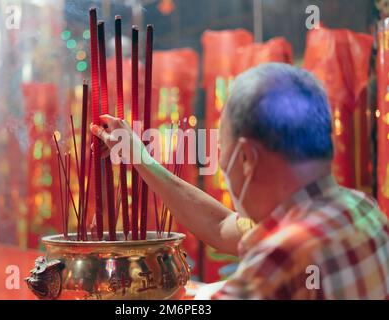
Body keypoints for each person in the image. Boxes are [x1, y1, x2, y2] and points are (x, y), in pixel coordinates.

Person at [90, 63, 389, 299]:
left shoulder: (280, 258)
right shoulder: (364, 210)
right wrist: (142, 160)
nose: (220, 161)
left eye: (221, 147)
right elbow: (220, 226)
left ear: (246, 158)